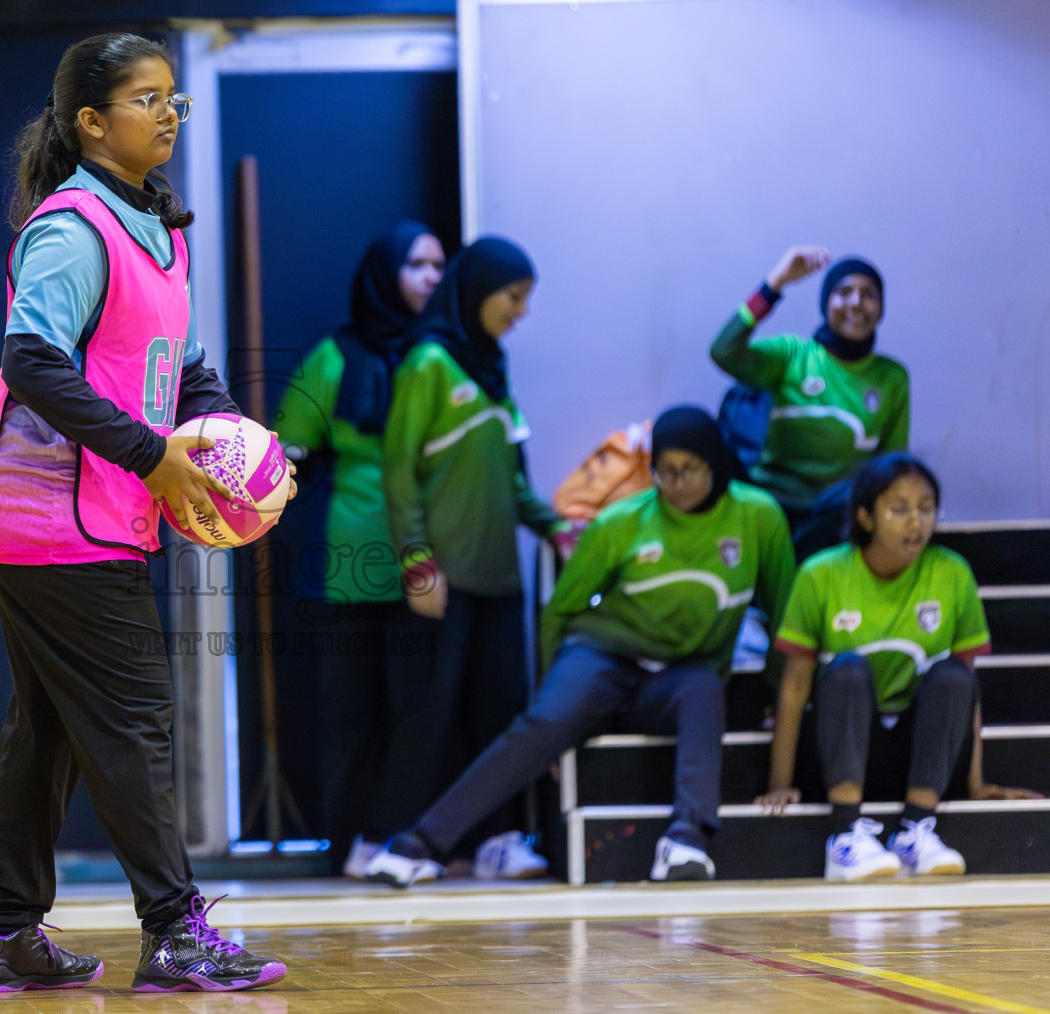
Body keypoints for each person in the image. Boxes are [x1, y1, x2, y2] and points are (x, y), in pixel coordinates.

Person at [0, 33, 288, 993]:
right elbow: (32, 362)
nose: (169, 112)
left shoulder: (158, 228)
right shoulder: (71, 228)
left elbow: (175, 367)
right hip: (44, 512)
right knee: (134, 719)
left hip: (85, 514)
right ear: (92, 122)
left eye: (173, 97)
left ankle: (4, 935)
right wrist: (152, 455)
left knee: (49, 726)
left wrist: (237, 449)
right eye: (147, 99)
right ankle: (177, 934)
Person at [366, 406, 795, 885]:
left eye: (690, 469)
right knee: (542, 723)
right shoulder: (621, 522)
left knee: (704, 690)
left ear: (717, 464)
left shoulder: (759, 517)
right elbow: (561, 611)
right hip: (602, 659)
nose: (677, 483)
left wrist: (779, 698)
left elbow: (784, 619)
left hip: (681, 674)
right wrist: (554, 693)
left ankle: (686, 842)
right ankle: (420, 843)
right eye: (664, 470)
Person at [376, 237, 572, 880]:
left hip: (499, 578)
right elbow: (399, 474)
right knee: (431, 715)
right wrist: (418, 561)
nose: (520, 311)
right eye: (513, 297)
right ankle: (411, 843)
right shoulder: (427, 363)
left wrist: (555, 527)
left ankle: (500, 840)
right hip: (444, 578)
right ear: (478, 290)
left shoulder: (494, 365)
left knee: (502, 713)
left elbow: (513, 483)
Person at [271, 221, 446, 877]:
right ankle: (351, 844)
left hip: (429, 556)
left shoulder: (447, 356)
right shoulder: (334, 356)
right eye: (418, 265)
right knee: (346, 712)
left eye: (439, 266)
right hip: (353, 555)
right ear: (384, 273)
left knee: (419, 707)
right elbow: (289, 446)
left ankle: (407, 840)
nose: (433, 277)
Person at [756, 454, 987, 881]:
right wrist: (779, 782)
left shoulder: (953, 574)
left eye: (926, 507)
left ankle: (916, 829)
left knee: (954, 675)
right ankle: (844, 837)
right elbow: (793, 688)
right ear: (865, 515)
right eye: (899, 508)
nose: (915, 522)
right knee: (844, 670)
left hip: (916, 753)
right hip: (842, 749)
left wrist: (975, 783)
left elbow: (968, 690)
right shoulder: (821, 574)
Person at [710, 246, 909, 561]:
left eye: (868, 294)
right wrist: (774, 284)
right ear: (826, 303)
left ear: (881, 309)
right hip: (770, 500)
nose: (856, 303)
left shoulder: (892, 378)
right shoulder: (793, 354)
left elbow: (890, 462)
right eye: (844, 292)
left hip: (833, 511)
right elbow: (723, 351)